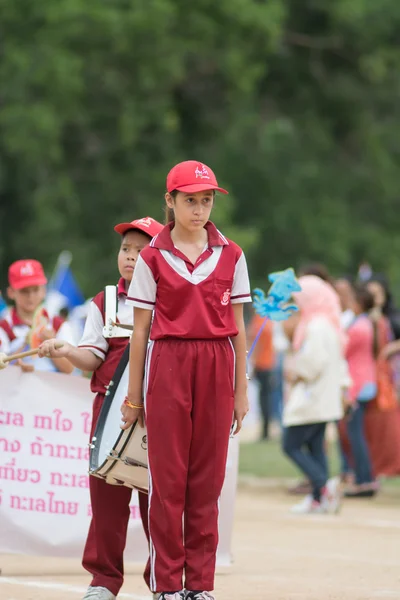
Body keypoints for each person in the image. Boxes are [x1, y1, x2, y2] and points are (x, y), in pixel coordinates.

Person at [122, 160, 251, 600]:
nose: (199, 209)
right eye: (190, 200)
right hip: (169, 363)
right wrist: (134, 396)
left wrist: (241, 391)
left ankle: (200, 585)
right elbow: (140, 329)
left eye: (207, 200)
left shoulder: (232, 254)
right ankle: (167, 586)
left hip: (217, 365)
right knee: (168, 482)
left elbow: (238, 328)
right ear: (170, 201)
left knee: (207, 483)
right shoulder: (153, 256)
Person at [38, 217, 164, 600]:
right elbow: (91, 355)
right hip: (109, 412)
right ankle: (103, 581)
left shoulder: (170, 300)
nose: (130, 257)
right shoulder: (104, 301)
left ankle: (164, 582)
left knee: (157, 502)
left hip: (156, 415)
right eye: (126, 249)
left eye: (141, 251)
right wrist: (64, 348)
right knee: (106, 498)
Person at [282, 275, 345, 514]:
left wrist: (295, 372)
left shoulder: (317, 325)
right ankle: (319, 498)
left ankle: (323, 485)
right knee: (316, 447)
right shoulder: (327, 322)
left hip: (312, 397)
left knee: (291, 444)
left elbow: (313, 362)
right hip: (322, 398)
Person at [0, 259, 74, 373]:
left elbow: (70, 369)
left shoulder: (58, 325)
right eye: (24, 291)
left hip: (52, 389)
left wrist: (51, 343)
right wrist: (25, 345)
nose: (31, 296)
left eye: (35, 290)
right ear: (11, 293)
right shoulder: (4, 328)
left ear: (44, 291)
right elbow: (2, 368)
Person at [340, 284, 378, 497]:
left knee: (356, 436)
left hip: (358, 384)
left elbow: (343, 348)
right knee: (357, 434)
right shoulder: (366, 324)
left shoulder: (358, 326)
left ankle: (364, 480)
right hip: (364, 383)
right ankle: (364, 478)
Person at [248, 311, 275, 440]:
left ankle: (265, 431)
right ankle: (266, 429)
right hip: (269, 363)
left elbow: (256, 344)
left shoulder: (258, 322)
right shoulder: (268, 321)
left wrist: (252, 364)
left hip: (261, 364)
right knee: (267, 398)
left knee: (263, 399)